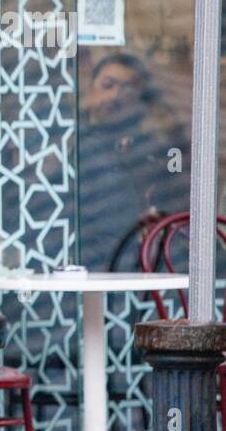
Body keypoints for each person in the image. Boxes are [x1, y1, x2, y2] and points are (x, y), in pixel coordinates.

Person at [77, 52, 188, 271]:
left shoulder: (154, 152)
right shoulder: (73, 146)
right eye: (108, 85)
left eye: (128, 88)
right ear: (90, 91)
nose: (116, 95)